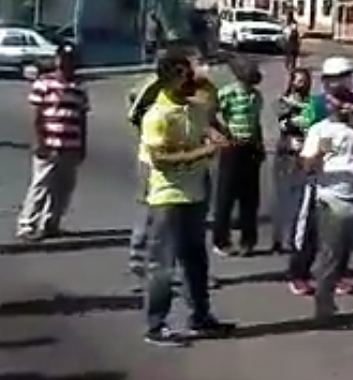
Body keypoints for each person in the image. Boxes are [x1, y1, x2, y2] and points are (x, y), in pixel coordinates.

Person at [138, 51, 235, 346]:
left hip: (195, 193)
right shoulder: (157, 116)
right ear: (171, 77)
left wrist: (220, 136)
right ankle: (156, 325)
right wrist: (202, 153)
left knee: (196, 260)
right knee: (163, 264)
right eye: (185, 73)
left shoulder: (193, 109)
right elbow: (160, 159)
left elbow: (216, 130)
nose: (191, 77)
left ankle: (201, 317)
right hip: (168, 197)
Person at [126, 48, 224, 289]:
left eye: (203, 62)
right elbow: (137, 114)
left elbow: (208, 119)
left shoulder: (207, 88)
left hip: (196, 167)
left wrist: (216, 133)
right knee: (153, 217)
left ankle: (190, 271)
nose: (203, 67)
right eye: (197, 63)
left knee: (194, 222)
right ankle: (142, 263)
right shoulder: (157, 86)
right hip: (156, 163)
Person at [300, 80, 353, 322]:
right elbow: (307, 166)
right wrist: (319, 153)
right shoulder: (319, 129)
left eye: (345, 100)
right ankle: (324, 304)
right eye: (335, 100)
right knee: (331, 254)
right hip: (333, 199)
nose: (339, 105)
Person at [285, 57, 353, 294]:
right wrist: (323, 144)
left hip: (348, 177)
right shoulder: (318, 104)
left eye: (346, 77)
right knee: (309, 228)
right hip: (317, 172)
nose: (342, 83)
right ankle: (299, 273)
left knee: (343, 231)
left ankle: (337, 273)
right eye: (337, 78)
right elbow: (304, 128)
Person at [17, 44, 89, 241]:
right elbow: (37, 115)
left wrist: (83, 145)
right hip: (49, 144)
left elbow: (82, 119)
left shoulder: (79, 88)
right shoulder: (44, 84)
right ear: (57, 60)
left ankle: (50, 224)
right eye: (64, 59)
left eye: (71, 60)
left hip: (70, 146)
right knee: (41, 185)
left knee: (63, 188)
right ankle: (27, 224)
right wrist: (39, 141)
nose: (67, 64)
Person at [212, 58, 265, 256]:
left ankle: (248, 240)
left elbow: (255, 122)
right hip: (232, 147)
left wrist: (259, 146)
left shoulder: (256, 96)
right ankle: (221, 240)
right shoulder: (228, 93)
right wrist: (224, 134)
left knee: (250, 197)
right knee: (226, 195)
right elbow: (211, 115)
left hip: (250, 146)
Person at [272, 68, 313, 256]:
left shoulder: (313, 103)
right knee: (282, 198)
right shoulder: (283, 102)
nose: (301, 84)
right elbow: (285, 124)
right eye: (298, 80)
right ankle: (278, 239)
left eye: (305, 81)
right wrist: (302, 120)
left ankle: (295, 238)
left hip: (304, 155)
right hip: (286, 154)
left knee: (301, 200)